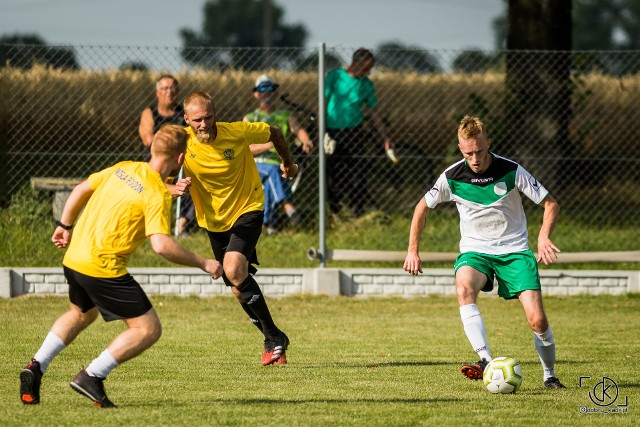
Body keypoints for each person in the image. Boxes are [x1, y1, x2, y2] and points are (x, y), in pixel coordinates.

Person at [20, 124, 223, 408]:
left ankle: (36, 366)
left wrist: (64, 226)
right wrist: (204, 262)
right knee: (147, 328)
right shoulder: (155, 193)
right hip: (102, 268)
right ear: (180, 159)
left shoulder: (124, 167)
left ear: (152, 147)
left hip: (75, 258)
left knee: (81, 315)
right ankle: (92, 375)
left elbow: (80, 189)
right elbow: (161, 245)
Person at [403, 115, 566, 389]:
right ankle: (486, 360)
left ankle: (549, 375)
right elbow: (421, 207)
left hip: (514, 250)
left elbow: (551, 204)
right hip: (475, 251)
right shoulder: (452, 176)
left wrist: (542, 237)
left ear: (488, 143)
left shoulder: (511, 170)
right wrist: (412, 250)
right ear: (460, 148)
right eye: (468, 153)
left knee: (537, 320)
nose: (475, 158)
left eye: (479, 151)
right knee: (463, 290)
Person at [178, 91, 298, 366]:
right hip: (213, 220)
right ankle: (275, 336)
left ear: (215, 113)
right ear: (187, 119)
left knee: (232, 269)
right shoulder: (180, 140)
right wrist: (173, 185)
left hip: (249, 207)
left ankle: (273, 339)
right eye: (197, 120)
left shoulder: (238, 132)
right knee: (236, 285)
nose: (204, 124)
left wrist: (288, 164)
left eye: (208, 117)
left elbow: (276, 132)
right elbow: (159, 165)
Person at [324, 47, 394, 215]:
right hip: (332, 131)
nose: (368, 72)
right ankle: (335, 210)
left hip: (354, 132)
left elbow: (374, 112)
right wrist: (321, 130)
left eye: (370, 69)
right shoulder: (335, 76)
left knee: (358, 172)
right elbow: (323, 101)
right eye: (366, 68)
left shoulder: (366, 84)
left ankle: (357, 211)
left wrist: (385, 137)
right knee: (331, 173)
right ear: (356, 63)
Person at [244, 74, 314, 235]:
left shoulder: (285, 116)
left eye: (271, 88)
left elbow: (298, 130)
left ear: (276, 93)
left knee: (272, 177)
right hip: (254, 163)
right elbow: (245, 148)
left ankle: (269, 225)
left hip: (278, 162)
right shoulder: (249, 119)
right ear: (256, 93)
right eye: (263, 88)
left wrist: (306, 141)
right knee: (275, 172)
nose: (267, 92)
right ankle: (286, 205)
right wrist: (271, 144)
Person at [138, 74, 195, 236]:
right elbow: (148, 139)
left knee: (193, 180)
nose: (168, 92)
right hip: (156, 162)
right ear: (158, 92)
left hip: (182, 162)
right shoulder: (149, 113)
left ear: (177, 92)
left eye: (172, 88)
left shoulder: (184, 114)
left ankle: (182, 222)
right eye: (164, 88)